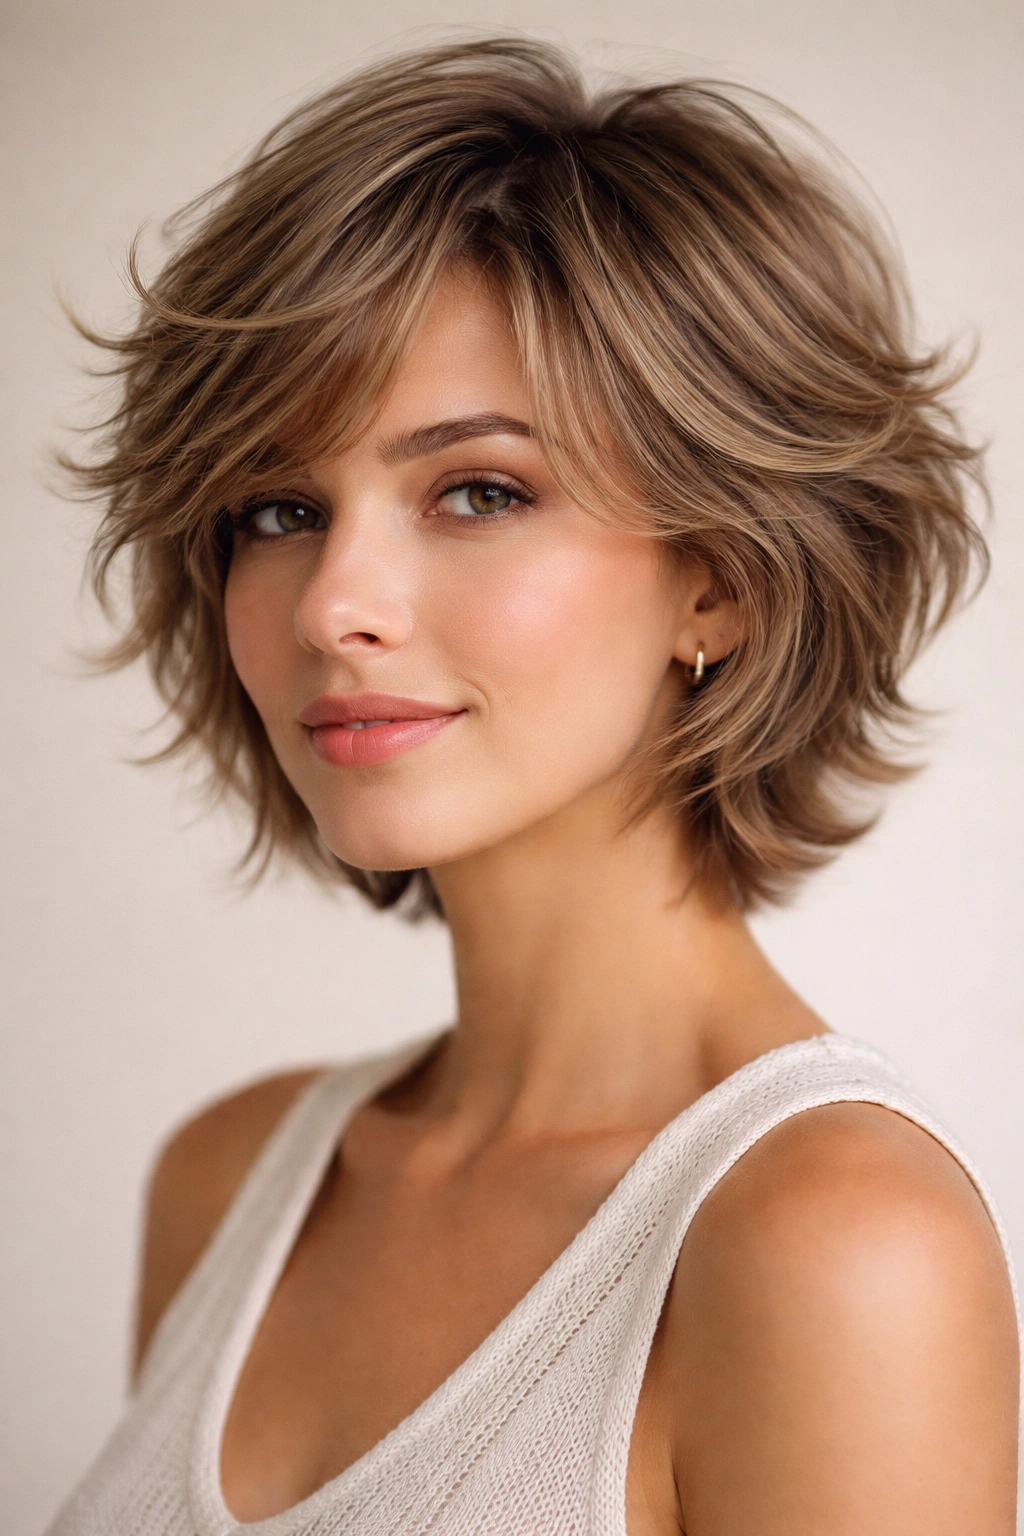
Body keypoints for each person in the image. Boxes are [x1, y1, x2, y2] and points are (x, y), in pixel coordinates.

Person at [49, 38, 1018, 1536]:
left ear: (725, 582)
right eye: (279, 508)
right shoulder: (230, 1181)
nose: (331, 606)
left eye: (480, 491)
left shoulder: (830, 1247)